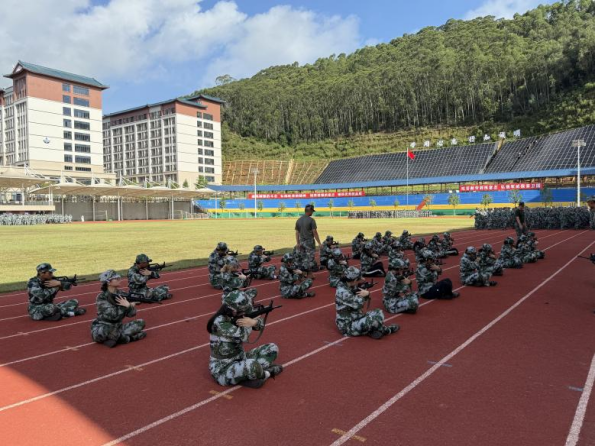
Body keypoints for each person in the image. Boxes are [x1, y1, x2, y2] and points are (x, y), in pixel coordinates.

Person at [207, 289, 283, 389]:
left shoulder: (235, 315)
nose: (244, 313)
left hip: (241, 358)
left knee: (272, 348)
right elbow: (244, 336)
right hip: (223, 369)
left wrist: (255, 323)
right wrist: (250, 324)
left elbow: (259, 326)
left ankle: (247, 375)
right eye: (242, 311)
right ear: (233, 310)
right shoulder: (219, 323)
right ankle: (267, 373)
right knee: (252, 366)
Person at [335, 266, 399, 339]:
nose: (362, 279)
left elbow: (354, 290)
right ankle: (386, 330)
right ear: (354, 280)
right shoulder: (343, 292)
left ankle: (370, 331)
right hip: (348, 326)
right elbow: (359, 305)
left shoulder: (344, 283)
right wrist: (366, 295)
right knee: (374, 320)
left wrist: (362, 287)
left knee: (379, 312)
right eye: (359, 279)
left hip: (355, 316)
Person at [91, 270, 146, 348]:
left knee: (140, 322)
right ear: (109, 282)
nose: (119, 280)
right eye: (116, 278)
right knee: (106, 332)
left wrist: (129, 306)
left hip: (118, 327)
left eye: (119, 278)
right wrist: (124, 306)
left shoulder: (122, 294)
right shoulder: (101, 297)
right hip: (103, 327)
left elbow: (132, 314)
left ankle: (117, 338)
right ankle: (130, 338)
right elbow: (113, 316)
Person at [295, 204, 321, 278]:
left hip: (301, 242)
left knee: (303, 258)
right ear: (309, 211)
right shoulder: (311, 220)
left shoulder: (299, 220)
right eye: (312, 211)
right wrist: (319, 243)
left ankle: (304, 273)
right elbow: (314, 232)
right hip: (309, 242)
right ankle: (308, 274)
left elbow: (297, 232)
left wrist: (298, 243)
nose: (312, 212)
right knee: (310, 259)